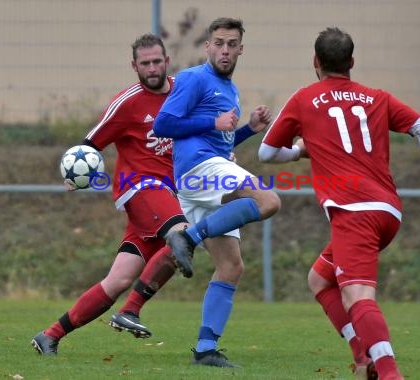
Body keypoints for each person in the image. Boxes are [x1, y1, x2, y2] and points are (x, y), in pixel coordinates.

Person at [258, 27, 420, 380]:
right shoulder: (376, 97)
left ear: (315, 62)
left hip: (353, 213)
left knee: (358, 297)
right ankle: (364, 356)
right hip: (387, 212)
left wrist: (300, 151)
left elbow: (266, 153)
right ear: (352, 62)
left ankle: (390, 373)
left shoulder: (304, 99)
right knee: (319, 279)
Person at [31, 34, 189, 355]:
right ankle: (131, 311)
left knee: (118, 280)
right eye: (145, 63)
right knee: (183, 235)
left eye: (157, 61)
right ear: (135, 66)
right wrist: (74, 175)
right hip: (140, 188)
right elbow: (88, 145)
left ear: (167, 61)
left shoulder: (184, 91)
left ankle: (50, 335)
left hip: (167, 197)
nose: (152, 68)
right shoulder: (127, 102)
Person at [153, 17, 280, 368]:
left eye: (232, 44)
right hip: (198, 168)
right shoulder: (194, 78)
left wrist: (248, 130)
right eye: (219, 43)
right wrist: (213, 122)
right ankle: (189, 238)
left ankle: (206, 349)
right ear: (207, 46)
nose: (225, 50)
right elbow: (164, 124)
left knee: (230, 265)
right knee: (268, 200)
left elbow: (220, 140)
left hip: (206, 170)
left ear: (241, 48)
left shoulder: (230, 89)